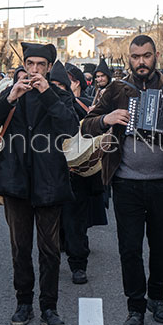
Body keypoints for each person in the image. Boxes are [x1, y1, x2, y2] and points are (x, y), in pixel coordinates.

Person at [81, 35, 163, 325]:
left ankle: (157, 299)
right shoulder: (116, 89)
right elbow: (86, 126)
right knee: (129, 248)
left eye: (146, 56)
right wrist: (107, 118)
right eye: (135, 57)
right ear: (129, 59)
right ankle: (135, 307)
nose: (141, 62)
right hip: (126, 183)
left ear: (156, 55)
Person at [0, 42, 79, 325]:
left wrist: (47, 94)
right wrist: (10, 98)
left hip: (50, 181)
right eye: (30, 64)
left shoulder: (60, 95)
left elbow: (71, 127)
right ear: (23, 65)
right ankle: (23, 303)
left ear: (48, 68)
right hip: (16, 180)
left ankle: (49, 307)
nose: (34, 69)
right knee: (20, 247)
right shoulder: (10, 92)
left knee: (50, 249)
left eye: (40, 65)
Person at [53, 62, 107, 285]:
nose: (56, 89)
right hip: (49, 173)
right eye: (52, 84)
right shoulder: (39, 105)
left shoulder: (81, 106)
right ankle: (51, 263)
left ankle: (78, 265)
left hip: (76, 174)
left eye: (60, 85)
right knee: (51, 223)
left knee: (76, 223)